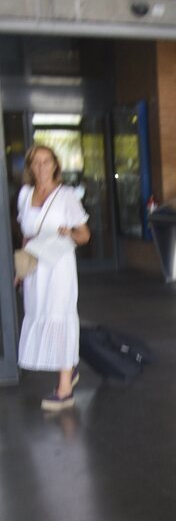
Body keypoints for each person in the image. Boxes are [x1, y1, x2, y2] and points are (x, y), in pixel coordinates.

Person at [16, 145, 90, 411]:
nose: (41, 167)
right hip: (37, 268)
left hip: (59, 267)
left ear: (55, 165)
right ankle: (68, 370)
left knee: (59, 315)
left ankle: (65, 387)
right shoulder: (25, 195)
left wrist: (69, 232)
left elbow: (85, 235)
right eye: (36, 163)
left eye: (46, 162)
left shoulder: (66, 195)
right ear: (30, 167)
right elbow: (26, 236)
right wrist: (21, 269)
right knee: (40, 314)